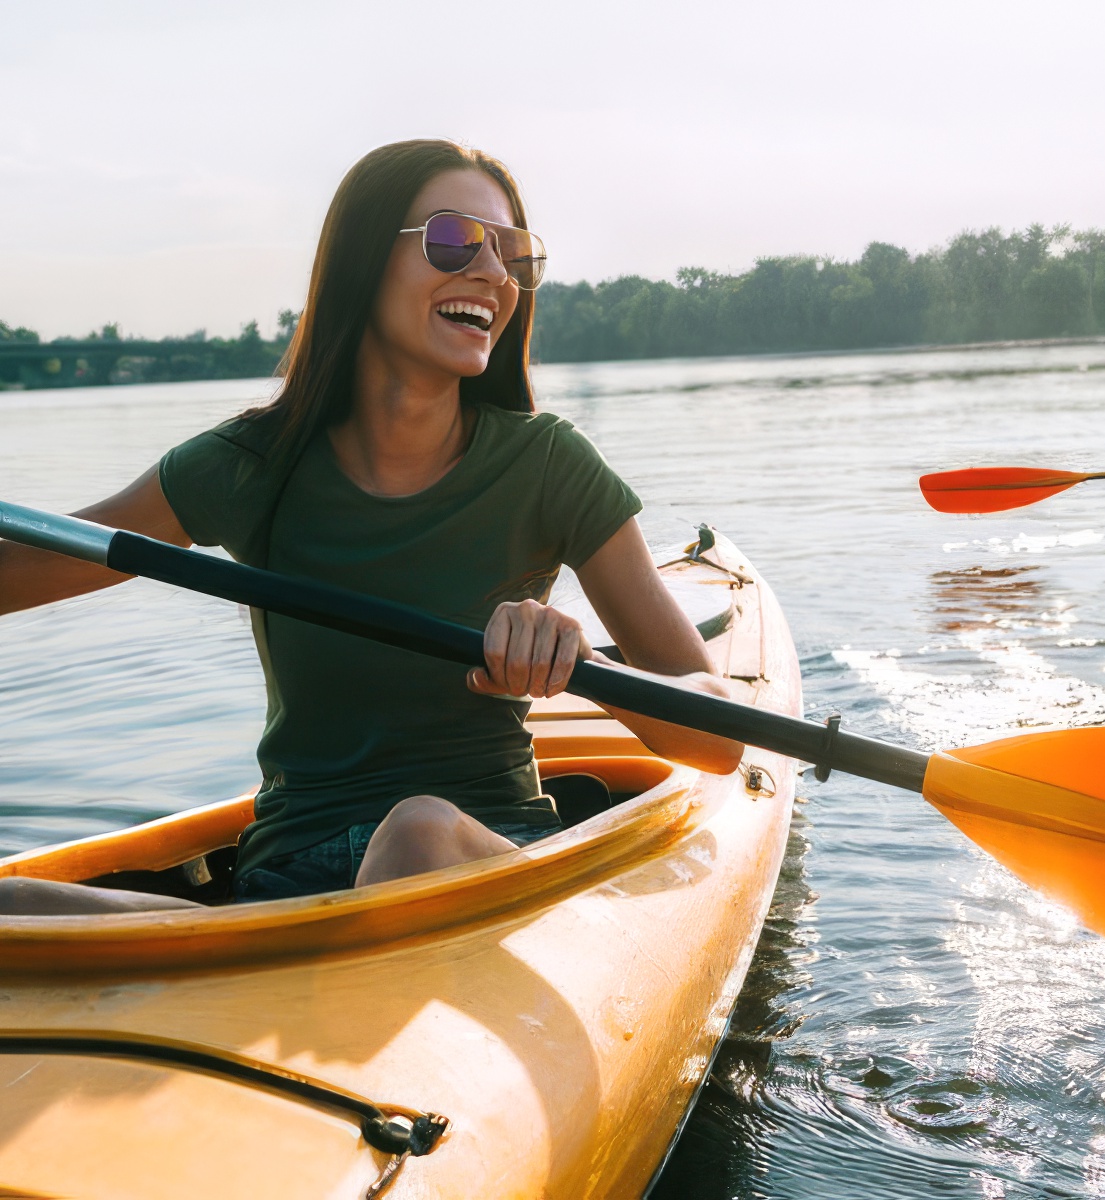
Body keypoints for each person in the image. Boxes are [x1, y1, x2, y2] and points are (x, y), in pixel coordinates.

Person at [0, 140, 742, 915]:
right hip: (283, 887)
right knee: (14, 904)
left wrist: (578, 661)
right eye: (455, 240)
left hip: (484, 860)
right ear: (363, 261)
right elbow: (18, 570)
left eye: (513, 253)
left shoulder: (549, 465)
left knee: (417, 833)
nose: (493, 273)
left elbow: (718, 735)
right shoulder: (249, 465)